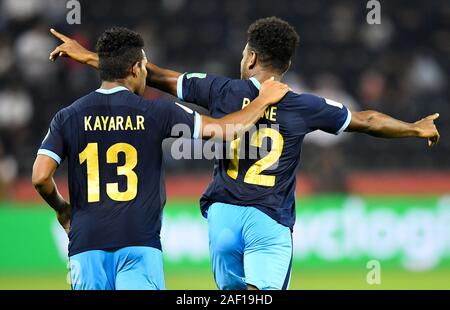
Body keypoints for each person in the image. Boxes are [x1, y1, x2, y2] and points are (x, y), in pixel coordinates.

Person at [48, 17, 440, 290]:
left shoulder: (222, 90)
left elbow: (158, 76)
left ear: (250, 57)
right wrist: (413, 128)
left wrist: (91, 59)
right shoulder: (304, 105)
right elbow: (367, 120)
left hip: (222, 218)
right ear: (284, 65)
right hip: (268, 219)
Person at [33, 27, 289, 290]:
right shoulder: (156, 111)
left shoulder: (67, 116)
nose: (147, 73)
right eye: (144, 67)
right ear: (135, 68)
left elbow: (40, 177)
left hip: (84, 244)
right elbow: (224, 131)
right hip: (139, 244)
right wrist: (262, 101)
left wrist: (63, 209)